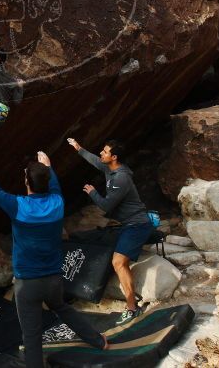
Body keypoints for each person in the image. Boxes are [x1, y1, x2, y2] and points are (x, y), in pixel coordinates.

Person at [0, 152, 109, 368]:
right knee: (63, 308)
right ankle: (98, 341)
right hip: (53, 279)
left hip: (27, 284)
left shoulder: (18, 205)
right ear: (46, 181)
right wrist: (49, 166)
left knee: (31, 335)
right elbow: (55, 185)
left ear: (26, 181)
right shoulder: (58, 203)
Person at [67, 137, 153, 325]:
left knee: (118, 262)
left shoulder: (121, 178)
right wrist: (78, 148)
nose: (101, 154)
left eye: (105, 152)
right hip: (127, 224)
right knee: (106, 250)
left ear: (113, 157)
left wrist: (92, 192)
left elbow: (106, 205)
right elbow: (95, 161)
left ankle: (132, 308)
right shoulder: (110, 167)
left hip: (136, 225)